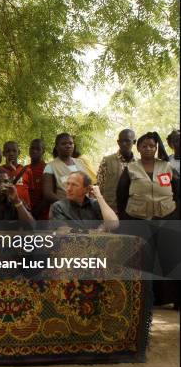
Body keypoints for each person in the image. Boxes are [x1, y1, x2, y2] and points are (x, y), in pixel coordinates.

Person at [116, 131, 179, 308]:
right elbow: (121, 195)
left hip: (165, 217)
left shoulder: (166, 167)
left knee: (169, 257)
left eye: (152, 146)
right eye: (144, 146)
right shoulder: (131, 169)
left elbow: (176, 190)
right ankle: (141, 298)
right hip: (137, 218)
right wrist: (124, 219)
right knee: (142, 259)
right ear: (138, 148)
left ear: (156, 147)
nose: (149, 148)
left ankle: (174, 299)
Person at [50, 171, 119, 232]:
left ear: (86, 189)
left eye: (74, 185)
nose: (69, 189)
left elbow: (114, 224)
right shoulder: (59, 206)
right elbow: (63, 230)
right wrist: (94, 232)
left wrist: (99, 196)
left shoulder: (95, 204)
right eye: (68, 184)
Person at [96, 129, 137, 213]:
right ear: (118, 142)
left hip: (132, 210)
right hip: (112, 210)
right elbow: (100, 185)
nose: (124, 144)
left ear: (134, 142)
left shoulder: (138, 164)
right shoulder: (107, 161)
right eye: (121, 141)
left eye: (127, 141)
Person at [42, 133, 88, 206]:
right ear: (57, 147)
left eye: (71, 143)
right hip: (64, 211)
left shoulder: (80, 163)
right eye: (64, 144)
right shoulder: (51, 166)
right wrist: (67, 205)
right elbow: (48, 194)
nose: (68, 146)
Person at [22, 139, 49, 220]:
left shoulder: (47, 169)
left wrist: (35, 212)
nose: (34, 151)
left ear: (43, 151)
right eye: (32, 148)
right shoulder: (24, 169)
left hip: (42, 216)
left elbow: (48, 196)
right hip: (26, 214)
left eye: (38, 149)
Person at [0, 141, 31, 208]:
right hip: (5, 209)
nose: (11, 153)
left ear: (18, 152)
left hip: (24, 208)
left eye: (14, 151)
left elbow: (31, 191)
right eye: (8, 151)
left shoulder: (26, 170)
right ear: (3, 153)